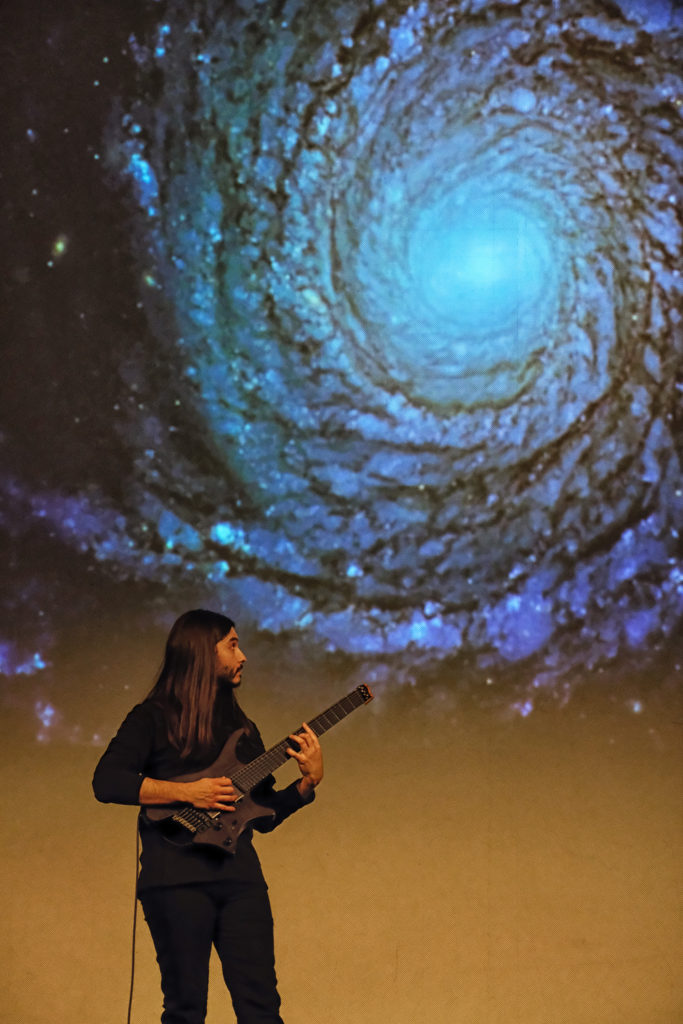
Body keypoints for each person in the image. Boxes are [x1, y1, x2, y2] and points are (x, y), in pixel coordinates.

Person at [92, 608, 323, 1024]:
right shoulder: (152, 717)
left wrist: (306, 785)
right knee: (185, 1010)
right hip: (175, 880)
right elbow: (106, 782)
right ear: (203, 653)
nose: (244, 656)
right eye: (233, 645)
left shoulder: (242, 727)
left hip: (240, 881)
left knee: (262, 1009)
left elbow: (263, 814)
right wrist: (187, 793)